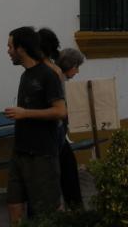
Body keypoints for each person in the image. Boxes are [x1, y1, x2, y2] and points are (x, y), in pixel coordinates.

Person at [5, 26, 68, 223]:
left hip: (41, 154)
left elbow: (60, 111)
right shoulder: (25, 75)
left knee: (47, 209)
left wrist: (25, 113)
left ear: (21, 48)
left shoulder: (48, 75)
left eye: (10, 46)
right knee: (14, 203)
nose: (8, 51)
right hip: (20, 151)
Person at [56, 48, 86, 210]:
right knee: (68, 170)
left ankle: (74, 207)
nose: (77, 71)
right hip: (56, 135)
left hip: (59, 134)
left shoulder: (61, 79)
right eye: (77, 67)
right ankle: (75, 208)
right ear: (70, 65)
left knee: (69, 168)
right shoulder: (58, 80)